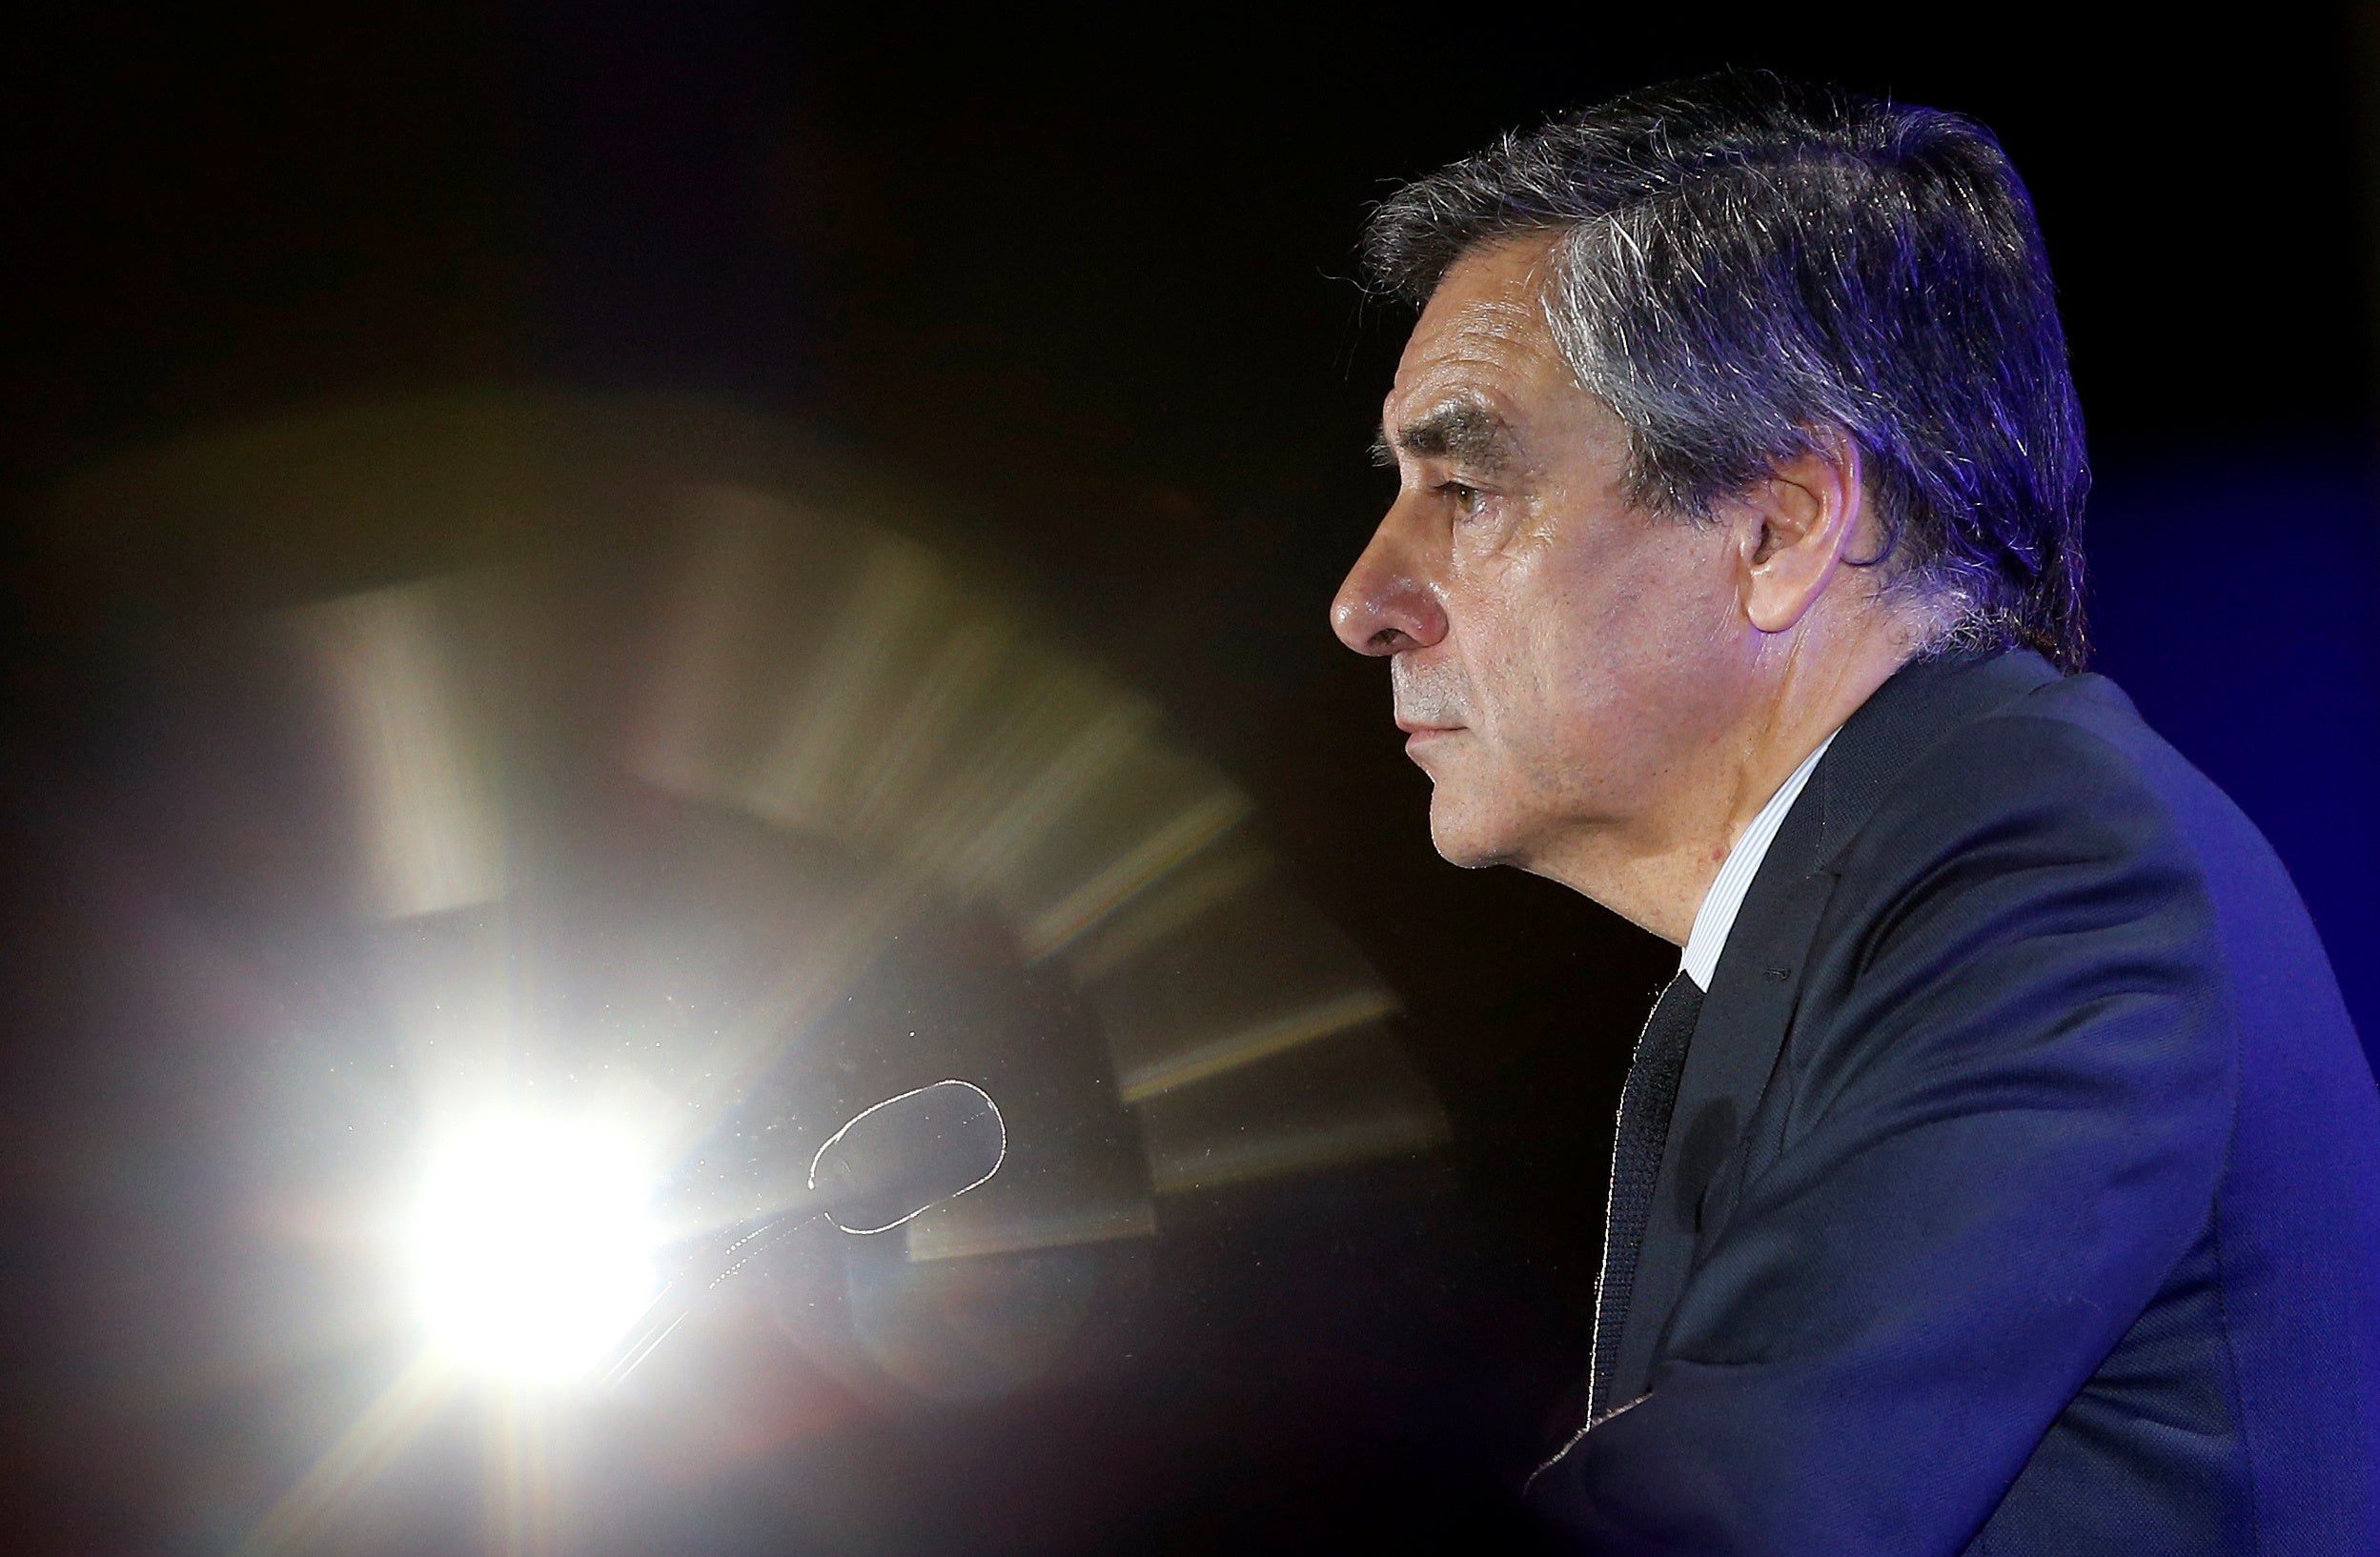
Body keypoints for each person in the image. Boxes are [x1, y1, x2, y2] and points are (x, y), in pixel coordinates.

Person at [1329, 70, 2380, 1553]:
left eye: (1464, 484)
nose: (1362, 602)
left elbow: (1719, 1520)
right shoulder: (1883, 893)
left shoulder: (2046, 870)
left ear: (1778, 525)